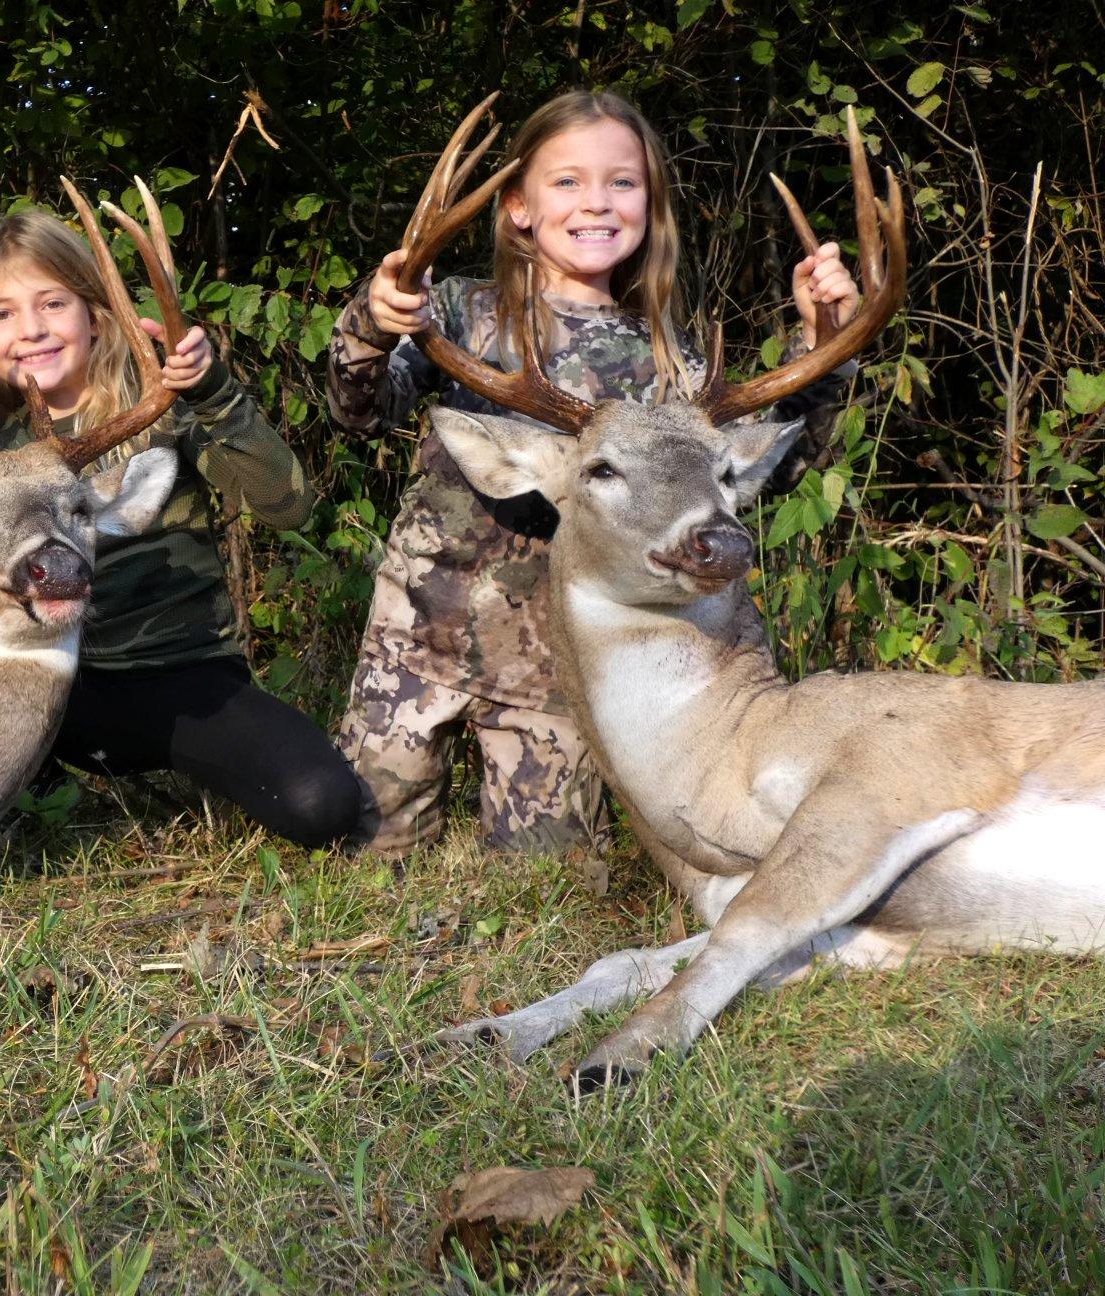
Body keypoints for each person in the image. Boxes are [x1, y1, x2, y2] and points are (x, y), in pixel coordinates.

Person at [329, 90, 859, 862]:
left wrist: (826, 349)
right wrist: (373, 323)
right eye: (567, 182)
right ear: (517, 206)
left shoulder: (677, 367)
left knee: (549, 884)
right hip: (418, 637)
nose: (597, 203)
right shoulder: (456, 315)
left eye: (623, 182)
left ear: (651, 202)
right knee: (366, 856)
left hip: (559, 668)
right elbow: (360, 412)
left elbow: (762, 480)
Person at [0, 207, 361, 847]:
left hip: (170, 684)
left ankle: (63, 781)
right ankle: (3, 790)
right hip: (18, 691)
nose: (31, 330)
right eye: (1, 314)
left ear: (96, 317)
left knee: (319, 803)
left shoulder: (163, 414)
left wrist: (211, 392)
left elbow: (289, 508)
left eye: (52, 304)